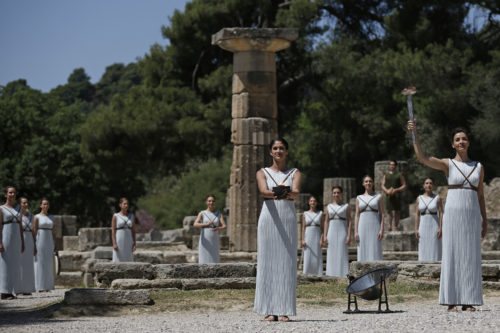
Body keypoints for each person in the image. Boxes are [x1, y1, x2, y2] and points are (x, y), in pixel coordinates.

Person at [408, 121, 487, 312]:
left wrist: (484, 219)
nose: (461, 142)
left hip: (471, 214)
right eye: (457, 140)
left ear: (468, 142)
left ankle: (468, 300)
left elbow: (481, 194)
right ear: (453, 144)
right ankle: (451, 299)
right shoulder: (448, 164)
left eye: (464, 139)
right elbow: (423, 157)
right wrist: (415, 134)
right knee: (451, 253)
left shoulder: (478, 167)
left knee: (470, 255)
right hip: (453, 213)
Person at [253, 138, 301, 322]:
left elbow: (295, 192)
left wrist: (283, 192)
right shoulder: (262, 172)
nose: (278, 151)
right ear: (270, 152)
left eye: (282, 148)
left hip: (287, 216)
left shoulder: (295, 172)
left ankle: (284, 309)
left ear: (287, 151)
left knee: (286, 262)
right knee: (267, 261)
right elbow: (263, 191)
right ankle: (268, 309)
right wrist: (282, 191)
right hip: (269, 216)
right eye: (275, 148)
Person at [0, 186, 24, 300]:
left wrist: (22, 241)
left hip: (16, 238)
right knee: (5, 264)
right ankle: (4, 292)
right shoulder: (1, 209)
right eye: (10, 193)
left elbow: (20, 226)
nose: (12, 195)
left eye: (14, 193)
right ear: (6, 195)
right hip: (6, 236)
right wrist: (0, 242)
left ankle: (13, 290)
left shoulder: (18, 209)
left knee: (15, 264)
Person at [355, 176, 384, 261]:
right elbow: (357, 215)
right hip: (362, 226)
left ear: (373, 183)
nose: (368, 183)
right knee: (362, 247)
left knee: (375, 248)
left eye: (370, 181)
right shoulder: (358, 198)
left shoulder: (378, 197)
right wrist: (356, 231)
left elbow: (382, 214)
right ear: (363, 184)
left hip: (375, 225)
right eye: (366, 181)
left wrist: (381, 229)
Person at [324, 186, 351, 277]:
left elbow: (350, 221)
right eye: (334, 192)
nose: (336, 194)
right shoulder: (329, 207)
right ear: (332, 194)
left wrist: (348, 235)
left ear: (341, 194)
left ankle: (343, 274)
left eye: (338, 192)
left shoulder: (346, 206)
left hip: (342, 231)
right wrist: (325, 235)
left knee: (342, 251)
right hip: (331, 231)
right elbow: (326, 221)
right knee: (331, 252)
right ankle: (331, 274)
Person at [414, 178, 443, 261]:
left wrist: (441, 228)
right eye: (426, 183)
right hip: (423, 225)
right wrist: (416, 228)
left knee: (434, 246)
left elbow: (441, 213)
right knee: (423, 245)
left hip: (434, 225)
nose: (428, 185)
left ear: (433, 186)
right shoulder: (419, 198)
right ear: (424, 186)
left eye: (430, 183)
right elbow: (417, 214)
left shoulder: (437, 198)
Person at [193, 195, 227, 264]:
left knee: (214, 256)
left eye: (213, 201)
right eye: (209, 201)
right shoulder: (202, 213)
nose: (211, 202)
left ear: (215, 202)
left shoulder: (219, 214)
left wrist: (218, 228)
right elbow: (195, 224)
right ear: (206, 202)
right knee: (204, 256)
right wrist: (206, 224)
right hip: (205, 237)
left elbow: (224, 226)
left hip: (214, 237)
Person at [34, 198, 56, 292]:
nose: (46, 206)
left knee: (49, 263)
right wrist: (33, 243)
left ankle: (48, 286)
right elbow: (34, 231)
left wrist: (56, 244)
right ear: (40, 205)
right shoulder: (36, 217)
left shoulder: (52, 217)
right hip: (40, 239)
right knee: (40, 262)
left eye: (47, 204)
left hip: (49, 240)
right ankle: (39, 286)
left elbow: (54, 232)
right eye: (44, 204)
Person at [381, 160, 407, 231]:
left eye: (393, 165)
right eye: (391, 164)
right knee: (389, 211)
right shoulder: (386, 175)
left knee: (397, 211)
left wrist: (396, 190)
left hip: (397, 195)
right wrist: (387, 190)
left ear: (395, 166)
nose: (392, 166)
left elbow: (404, 185)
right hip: (388, 195)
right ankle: (389, 226)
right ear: (389, 166)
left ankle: (396, 226)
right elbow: (383, 185)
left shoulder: (399, 175)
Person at [301, 196, 323, 275]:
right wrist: (303, 239)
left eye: (314, 201)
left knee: (317, 253)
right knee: (308, 254)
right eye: (311, 201)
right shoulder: (305, 213)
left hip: (317, 235)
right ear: (309, 202)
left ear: (316, 203)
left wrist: (321, 239)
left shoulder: (320, 213)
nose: (312, 202)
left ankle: (318, 272)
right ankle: (307, 272)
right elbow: (303, 228)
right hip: (308, 235)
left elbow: (322, 228)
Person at [111, 197, 136, 262]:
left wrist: (134, 243)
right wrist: (114, 243)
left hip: (129, 240)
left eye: (127, 204)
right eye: (124, 204)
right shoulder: (116, 216)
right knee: (118, 257)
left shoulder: (131, 216)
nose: (126, 205)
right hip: (119, 239)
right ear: (120, 205)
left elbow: (133, 231)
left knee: (128, 257)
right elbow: (113, 231)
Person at [19, 197, 36, 295]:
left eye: (27, 203)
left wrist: (34, 244)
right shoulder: (18, 215)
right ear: (20, 204)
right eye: (24, 203)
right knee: (20, 264)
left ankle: (27, 289)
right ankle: (19, 289)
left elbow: (33, 230)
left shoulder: (31, 216)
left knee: (29, 264)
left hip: (29, 238)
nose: (26, 204)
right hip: (21, 238)